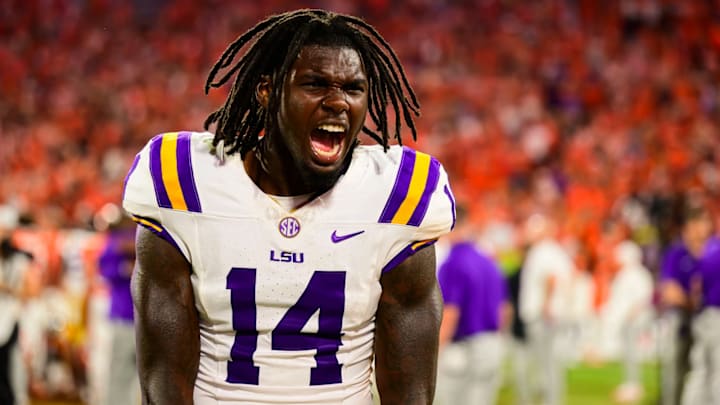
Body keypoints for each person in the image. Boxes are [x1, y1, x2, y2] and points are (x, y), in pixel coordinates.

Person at [122, 9, 456, 405]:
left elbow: (410, 391)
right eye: (315, 84)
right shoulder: (184, 181)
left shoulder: (397, 194)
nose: (338, 102)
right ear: (267, 90)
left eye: (353, 88)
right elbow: (162, 382)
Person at [434, 206, 510, 405]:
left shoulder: (453, 262)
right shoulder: (488, 261)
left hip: (464, 349)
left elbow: (451, 313)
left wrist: (436, 349)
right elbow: (504, 309)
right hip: (492, 343)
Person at [658, 205, 714, 405]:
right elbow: (668, 290)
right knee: (675, 365)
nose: (700, 230)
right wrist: (691, 301)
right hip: (682, 316)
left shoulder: (713, 252)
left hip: (707, 317)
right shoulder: (677, 253)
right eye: (696, 225)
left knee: (707, 366)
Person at [518, 213, 575, 405]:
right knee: (549, 363)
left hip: (542, 316)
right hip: (548, 314)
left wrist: (546, 305)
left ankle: (550, 401)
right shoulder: (554, 251)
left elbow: (551, 278)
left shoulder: (543, 251)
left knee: (546, 363)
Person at [600, 240, 654, 403]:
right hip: (626, 322)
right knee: (628, 355)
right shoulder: (626, 274)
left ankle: (634, 386)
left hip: (633, 322)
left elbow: (643, 298)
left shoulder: (638, 274)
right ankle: (630, 383)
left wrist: (631, 316)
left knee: (632, 355)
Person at [98, 206, 139, 405]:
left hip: (145, 319)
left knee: (141, 377)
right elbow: (106, 271)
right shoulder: (114, 241)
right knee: (120, 372)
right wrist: (127, 267)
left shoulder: (143, 236)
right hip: (124, 317)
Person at [681, 214, 720, 405]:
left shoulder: (708, 250)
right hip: (715, 315)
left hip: (703, 315)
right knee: (716, 370)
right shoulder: (714, 251)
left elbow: (695, 287)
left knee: (701, 369)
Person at [0, 226, 32, 405]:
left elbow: (30, 290)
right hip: (6, 314)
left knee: (14, 361)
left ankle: (15, 397)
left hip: (13, 315)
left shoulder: (19, 260)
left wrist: (9, 289)